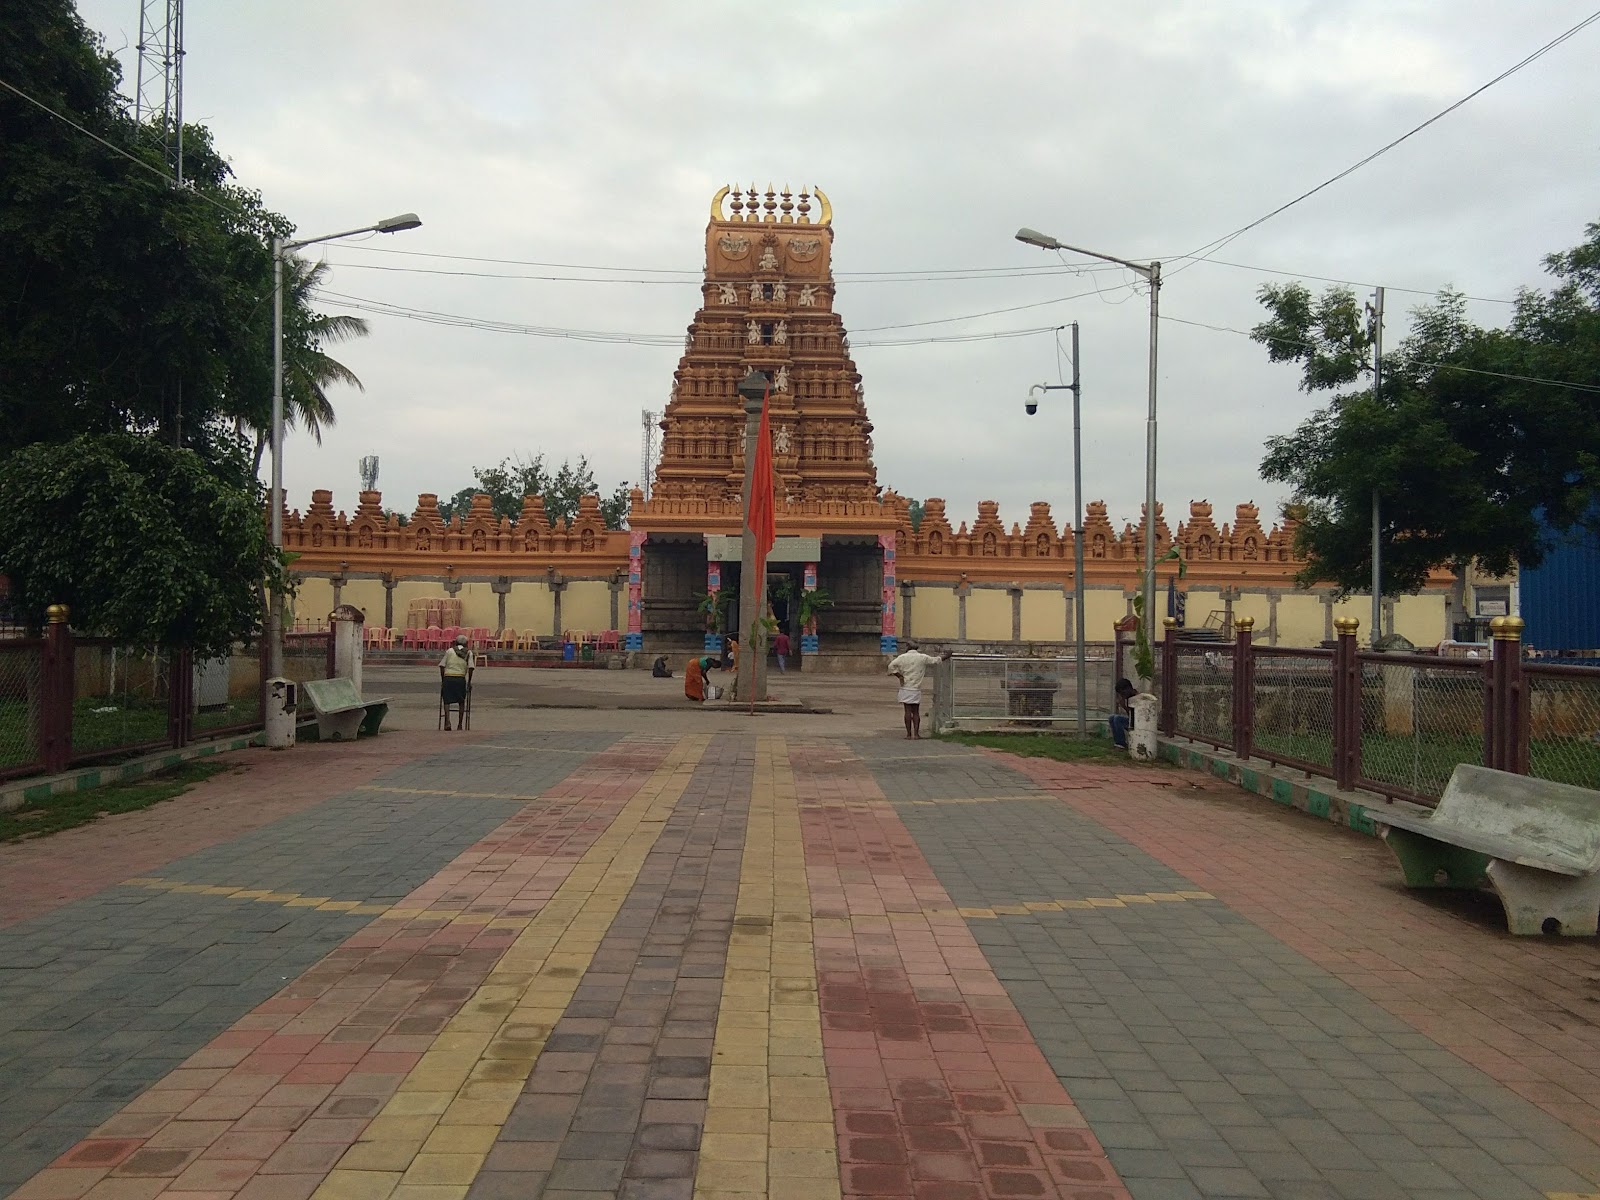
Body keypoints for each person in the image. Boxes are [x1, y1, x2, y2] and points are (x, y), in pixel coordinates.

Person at [887, 641, 952, 739]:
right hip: (916, 688)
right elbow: (936, 660)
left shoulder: (902, 657)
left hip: (905, 687)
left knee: (907, 711)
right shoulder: (922, 657)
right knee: (916, 711)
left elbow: (890, 666)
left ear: (907, 647)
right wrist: (947, 655)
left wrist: (899, 676)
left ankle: (908, 734)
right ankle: (916, 734)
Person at [438, 634, 474, 730]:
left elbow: (441, 666)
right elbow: (471, 668)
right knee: (461, 701)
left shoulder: (449, 651)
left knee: (446, 700)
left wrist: (443, 679)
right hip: (460, 678)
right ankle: (460, 724)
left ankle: (447, 722)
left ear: (455, 642)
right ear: (466, 644)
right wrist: (469, 681)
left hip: (448, 677)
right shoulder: (468, 653)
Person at [1109, 677, 1137, 748]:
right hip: (1132, 721)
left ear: (1128, 689)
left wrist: (1125, 707)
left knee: (1117, 719)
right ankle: (1118, 742)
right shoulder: (1127, 698)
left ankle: (1121, 743)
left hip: (1138, 723)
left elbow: (1134, 715)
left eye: (1123, 693)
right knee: (1112, 718)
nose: (1122, 695)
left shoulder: (1136, 698)